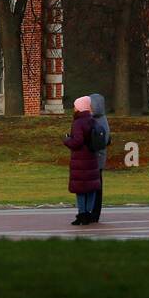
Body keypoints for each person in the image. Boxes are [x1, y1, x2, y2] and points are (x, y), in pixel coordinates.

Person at [63, 95, 101, 226]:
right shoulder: (93, 120)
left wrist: (67, 140)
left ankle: (82, 214)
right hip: (92, 159)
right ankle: (88, 213)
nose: (74, 108)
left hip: (80, 160)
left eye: (75, 106)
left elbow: (77, 141)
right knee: (90, 188)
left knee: (80, 189)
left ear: (79, 107)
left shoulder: (78, 122)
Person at [88, 93, 110, 223]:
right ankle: (92, 211)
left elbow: (105, 139)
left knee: (97, 187)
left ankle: (94, 213)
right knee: (95, 186)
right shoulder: (97, 119)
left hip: (97, 158)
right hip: (96, 158)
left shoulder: (100, 120)